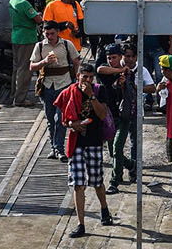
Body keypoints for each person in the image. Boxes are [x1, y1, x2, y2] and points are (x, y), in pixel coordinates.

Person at [57, 67, 116, 238]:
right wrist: (71, 125)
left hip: (94, 142)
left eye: (91, 77)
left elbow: (103, 113)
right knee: (78, 184)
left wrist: (91, 95)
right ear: (78, 77)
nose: (87, 80)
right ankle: (80, 224)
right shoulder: (69, 92)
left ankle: (104, 209)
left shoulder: (99, 91)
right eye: (85, 77)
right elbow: (64, 120)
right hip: (76, 143)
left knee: (97, 181)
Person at [30, 21, 79, 160]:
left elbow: (76, 62)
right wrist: (44, 62)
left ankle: (59, 148)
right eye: (47, 34)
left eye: (52, 33)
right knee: (50, 119)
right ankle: (53, 147)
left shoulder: (66, 44)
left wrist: (75, 80)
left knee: (60, 119)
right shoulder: (39, 46)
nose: (50, 36)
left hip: (64, 84)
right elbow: (32, 66)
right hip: (47, 85)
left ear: (58, 32)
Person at [7, 0, 42, 106]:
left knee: (17, 68)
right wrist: (39, 16)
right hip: (26, 38)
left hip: (16, 36)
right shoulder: (24, 3)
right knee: (25, 69)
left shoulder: (12, 1)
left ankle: (14, 94)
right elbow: (37, 19)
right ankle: (20, 98)